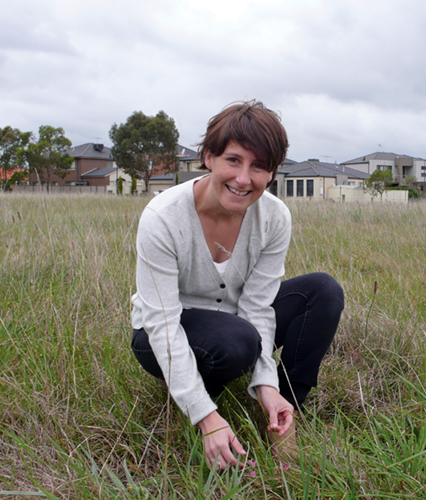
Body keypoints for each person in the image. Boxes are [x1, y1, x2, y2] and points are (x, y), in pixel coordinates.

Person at [129, 100, 344, 471]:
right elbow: (162, 324)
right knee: (238, 340)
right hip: (165, 332)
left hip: (238, 326)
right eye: (233, 160)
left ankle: (282, 412)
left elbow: (258, 307)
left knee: (323, 291)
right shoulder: (162, 218)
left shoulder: (275, 217)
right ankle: (196, 400)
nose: (244, 179)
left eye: (258, 166)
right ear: (209, 157)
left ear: (272, 173)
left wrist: (267, 385)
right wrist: (206, 417)